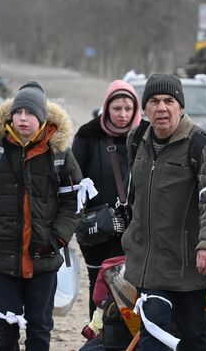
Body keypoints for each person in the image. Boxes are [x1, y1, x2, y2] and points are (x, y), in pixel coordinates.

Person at [0, 81, 83, 351]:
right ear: (11, 116)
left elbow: (74, 200)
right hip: (2, 257)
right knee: (5, 328)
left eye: (30, 113)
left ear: (41, 117)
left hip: (45, 257)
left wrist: (59, 237)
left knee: (39, 328)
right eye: (19, 113)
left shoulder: (59, 153)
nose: (23, 119)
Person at [122, 74, 206, 351]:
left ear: (181, 107)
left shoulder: (203, 146)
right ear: (145, 109)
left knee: (192, 339)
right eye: (154, 101)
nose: (162, 108)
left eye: (169, 101)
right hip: (149, 268)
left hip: (188, 266)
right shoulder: (136, 141)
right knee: (153, 336)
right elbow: (135, 197)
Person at [71, 79, 141, 323]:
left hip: (135, 229)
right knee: (98, 288)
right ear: (106, 108)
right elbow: (72, 179)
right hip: (96, 229)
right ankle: (98, 338)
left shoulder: (147, 136)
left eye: (128, 109)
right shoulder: (87, 135)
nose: (122, 115)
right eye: (116, 108)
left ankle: (124, 339)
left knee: (129, 287)